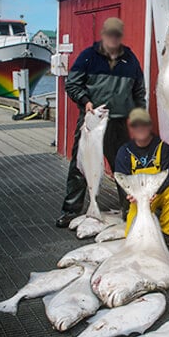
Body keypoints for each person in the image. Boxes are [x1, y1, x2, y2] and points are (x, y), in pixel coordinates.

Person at [56, 17, 146, 228]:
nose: (113, 38)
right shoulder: (89, 56)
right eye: (109, 33)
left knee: (123, 168)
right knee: (79, 167)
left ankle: (129, 210)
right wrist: (85, 102)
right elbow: (72, 84)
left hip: (118, 122)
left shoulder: (130, 59)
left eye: (117, 34)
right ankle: (71, 211)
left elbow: (139, 91)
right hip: (93, 120)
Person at [115, 108, 169, 247]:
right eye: (136, 125)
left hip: (158, 193)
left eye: (144, 124)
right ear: (131, 128)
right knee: (131, 235)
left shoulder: (164, 147)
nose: (140, 129)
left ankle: (167, 232)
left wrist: (155, 192)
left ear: (150, 126)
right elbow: (121, 180)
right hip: (138, 198)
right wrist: (130, 196)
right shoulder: (124, 151)